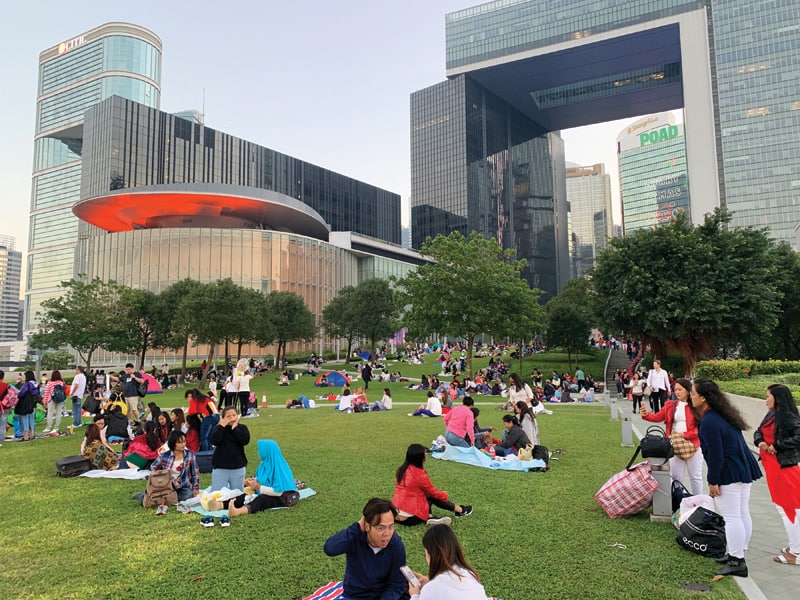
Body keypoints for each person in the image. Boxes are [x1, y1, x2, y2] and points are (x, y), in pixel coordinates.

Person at [691, 378, 762, 577]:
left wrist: (713, 481)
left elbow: (715, 455)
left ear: (703, 398)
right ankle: (737, 552)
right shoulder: (723, 414)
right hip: (742, 468)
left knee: (732, 517)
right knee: (740, 513)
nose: (691, 396)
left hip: (729, 471)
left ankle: (736, 560)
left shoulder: (709, 421)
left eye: (693, 393)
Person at [323, 498, 409, 600]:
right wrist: (357, 526)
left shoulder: (396, 545)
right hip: (355, 595)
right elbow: (330, 548)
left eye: (391, 527)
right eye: (380, 528)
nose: (387, 534)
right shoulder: (354, 537)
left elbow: (396, 584)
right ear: (367, 526)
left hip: (383, 596)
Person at [753, 384, 800, 566]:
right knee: (787, 508)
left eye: (768, 397)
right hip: (773, 466)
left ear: (777, 398)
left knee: (788, 509)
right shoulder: (772, 413)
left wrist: (778, 445)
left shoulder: (786, 415)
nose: (766, 400)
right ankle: (794, 547)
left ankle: (795, 552)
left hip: (784, 468)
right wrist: (760, 442)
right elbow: (758, 431)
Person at [641, 378, 703, 495]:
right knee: (676, 477)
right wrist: (646, 415)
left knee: (695, 477)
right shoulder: (671, 405)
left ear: (688, 390)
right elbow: (657, 417)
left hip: (693, 445)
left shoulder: (696, 406)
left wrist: (684, 434)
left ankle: (698, 502)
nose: (677, 392)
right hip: (674, 445)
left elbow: (700, 428)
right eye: (676, 390)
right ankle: (680, 501)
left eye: (680, 389)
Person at [393, 444, 472, 526]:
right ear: (421, 459)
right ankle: (461, 511)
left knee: (425, 494)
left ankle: (430, 517)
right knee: (432, 495)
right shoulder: (419, 475)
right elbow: (434, 493)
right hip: (410, 518)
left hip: (395, 514)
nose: (426, 458)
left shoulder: (400, 470)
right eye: (425, 455)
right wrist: (444, 494)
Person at [406, 524, 488, 600]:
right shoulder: (470, 574)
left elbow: (439, 589)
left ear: (431, 555)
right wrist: (430, 583)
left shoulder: (433, 588)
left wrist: (414, 595)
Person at [227, 440, 301, 516]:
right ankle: (219, 504)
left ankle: (239, 511)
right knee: (244, 496)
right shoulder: (264, 464)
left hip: (281, 497)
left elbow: (279, 492)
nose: (258, 453)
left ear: (267, 452)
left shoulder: (280, 467)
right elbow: (262, 480)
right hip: (265, 492)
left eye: (260, 451)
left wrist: (258, 487)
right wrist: (251, 482)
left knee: (262, 500)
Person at [134, 430, 200, 504]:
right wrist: (163, 475)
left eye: (184, 441)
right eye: (179, 442)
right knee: (149, 499)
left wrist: (195, 488)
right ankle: (143, 496)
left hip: (183, 487)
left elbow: (195, 473)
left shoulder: (190, 454)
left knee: (188, 494)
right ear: (173, 443)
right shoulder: (164, 455)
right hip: (166, 486)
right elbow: (153, 467)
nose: (183, 444)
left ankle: (158, 497)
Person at [210, 406, 250, 492]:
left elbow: (245, 441)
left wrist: (235, 429)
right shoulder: (218, 429)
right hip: (221, 467)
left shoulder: (242, 428)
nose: (232, 418)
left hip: (238, 466)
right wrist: (221, 427)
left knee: (237, 493)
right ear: (223, 418)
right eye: (228, 416)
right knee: (217, 494)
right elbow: (214, 441)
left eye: (234, 415)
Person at [15, 371, 40, 441]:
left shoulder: (27, 384)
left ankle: (25, 436)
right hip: (33, 403)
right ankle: (32, 434)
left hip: (25, 404)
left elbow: (21, 394)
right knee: (31, 419)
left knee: (24, 419)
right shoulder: (37, 384)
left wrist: (18, 393)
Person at [42, 370, 67, 434]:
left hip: (51, 399)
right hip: (60, 399)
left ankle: (48, 427)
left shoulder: (50, 383)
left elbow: (46, 392)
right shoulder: (61, 382)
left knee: (50, 413)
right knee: (58, 413)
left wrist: (45, 400)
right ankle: (56, 427)